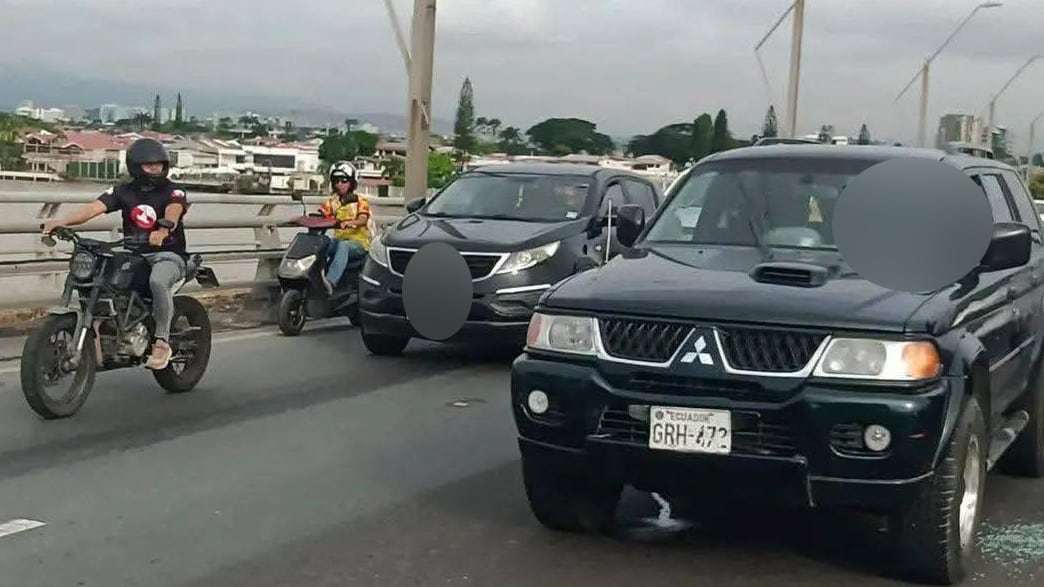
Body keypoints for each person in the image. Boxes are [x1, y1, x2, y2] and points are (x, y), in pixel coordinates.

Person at [41, 137, 189, 371]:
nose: (156, 169)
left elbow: (174, 209)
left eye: (159, 165)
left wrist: (163, 229)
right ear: (135, 166)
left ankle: (162, 341)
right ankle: (102, 341)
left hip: (168, 254)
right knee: (102, 282)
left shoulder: (173, 190)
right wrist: (61, 221)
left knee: (158, 281)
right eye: (150, 165)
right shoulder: (123, 191)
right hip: (133, 253)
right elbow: (94, 208)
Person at [317, 161, 371, 293]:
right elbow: (321, 215)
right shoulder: (333, 202)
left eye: (343, 180)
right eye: (336, 181)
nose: (339, 184)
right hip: (339, 241)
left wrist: (350, 222)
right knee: (322, 244)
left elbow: (363, 219)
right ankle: (314, 276)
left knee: (344, 246)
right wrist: (302, 219)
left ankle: (330, 283)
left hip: (359, 244)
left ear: (351, 182)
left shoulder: (360, 201)